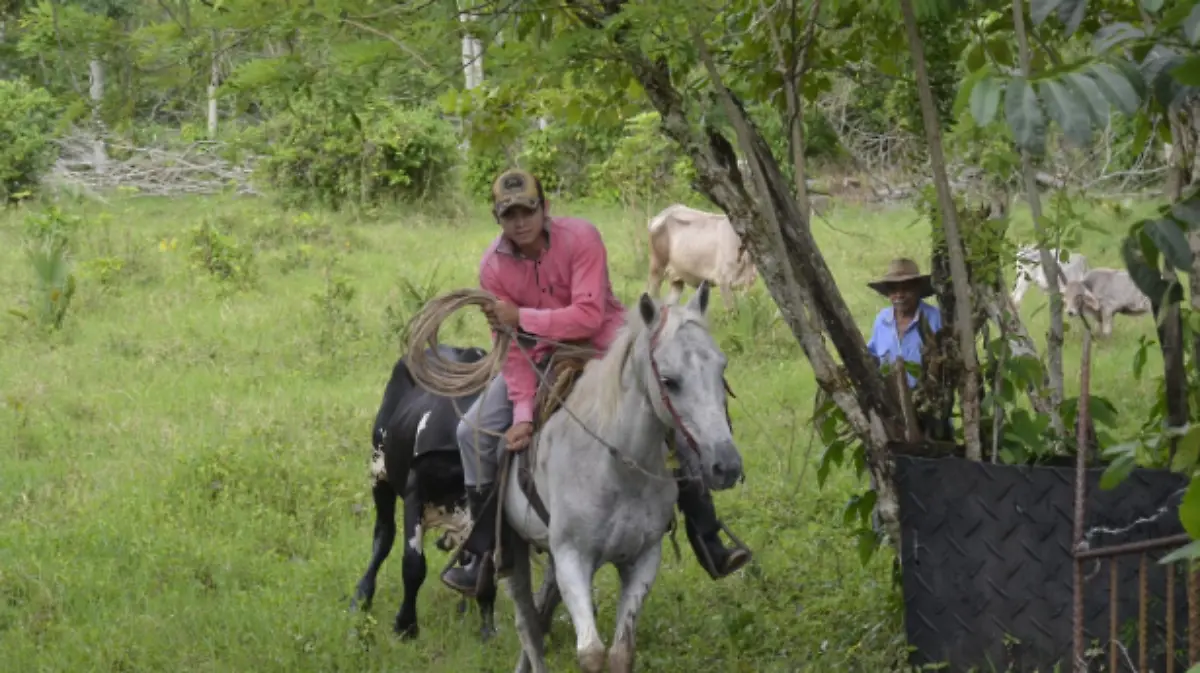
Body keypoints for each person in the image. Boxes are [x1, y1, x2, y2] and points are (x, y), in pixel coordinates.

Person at [441, 168, 752, 597]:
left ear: (544, 208)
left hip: (604, 347)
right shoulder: (492, 269)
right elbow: (507, 346)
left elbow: (588, 315)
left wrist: (524, 317)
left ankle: (707, 534)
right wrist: (524, 413)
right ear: (498, 218)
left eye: (526, 210)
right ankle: (487, 550)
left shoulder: (582, 238)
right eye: (508, 213)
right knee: (469, 433)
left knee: (670, 414)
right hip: (534, 360)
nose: (519, 221)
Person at [864, 257, 950, 438]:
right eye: (894, 290)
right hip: (891, 412)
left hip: (928, 412)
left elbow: (946, 366)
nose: (899, 295)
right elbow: (872, 356)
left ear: (918, 289)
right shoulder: (882, 320)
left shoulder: (934, 319)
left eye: (906, 288)